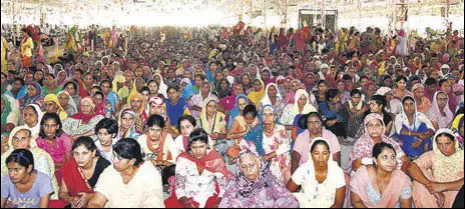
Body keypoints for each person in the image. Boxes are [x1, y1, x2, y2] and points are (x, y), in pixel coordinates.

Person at [165, 128, 232, 208]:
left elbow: (223, 188)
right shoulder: (183, 160)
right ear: (190, 146)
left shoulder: (215, 159)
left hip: (210, 196)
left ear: (207, 144)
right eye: (194, 147)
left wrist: (217, 205)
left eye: (201, 147)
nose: (198, 151)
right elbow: (179, 187)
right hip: (186, 197)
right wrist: (187, 205)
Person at [88, 138, 165, 208]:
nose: (114, 161)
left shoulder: (149, 173)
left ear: (132, 161)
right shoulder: (110, 171)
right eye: (114, 156)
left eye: (119, 158)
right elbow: (95, 202)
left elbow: (154, 204)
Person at [219, 149, 299, 208]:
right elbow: (224, 204)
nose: (248, 170)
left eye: (251, 165)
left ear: (259, 165)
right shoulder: (235, 183)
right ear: (240, 168)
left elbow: (290, 200)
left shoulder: (270, 180)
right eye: (244, 166)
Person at [407, 129, 464, 208]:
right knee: (419, 174)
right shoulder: (434, 155)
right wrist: (433, 189)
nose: (443, 148)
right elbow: (411, 167)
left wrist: (441, 186)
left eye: (447, 143)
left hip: (456, 197)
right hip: (434, 196)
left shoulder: (462, 155)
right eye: (440, 144)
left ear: (454, 142)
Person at [1, 127, 59, 200]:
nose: (19, 142)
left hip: (38, 196)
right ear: (11, 140)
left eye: (23, 138)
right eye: (15, 138)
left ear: (30, 140)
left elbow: (42, 183)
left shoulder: (39, 156)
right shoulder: (4, 157)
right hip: (10, 196)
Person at [288, 138, 346, 208]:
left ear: (329, 154)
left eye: (324, 153)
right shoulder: (304, 169)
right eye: (316, 153)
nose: (320, 158)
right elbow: (287, 192)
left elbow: (338, 204)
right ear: (311, 154)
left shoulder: (337, 172)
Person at [351, 143, 413, 208]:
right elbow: (356, 202)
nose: (390, 161)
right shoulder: (363, 174)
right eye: (384, 157)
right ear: (375, 160)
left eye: (393, 157)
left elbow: (405, 206)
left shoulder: (402, 179)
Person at [243, 105, 292, 183]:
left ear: (275, 117)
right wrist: (256, 156)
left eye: (270, 114)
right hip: (265, 163)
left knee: (286, 174)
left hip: (280, 159)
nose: (267, 117)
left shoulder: (280, 128)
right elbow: (244, 142)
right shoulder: (258, 129)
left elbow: (286, 146)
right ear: (261, 116)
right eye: (264, 114)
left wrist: (269, 155)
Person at [59, 136, 111, 208]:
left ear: (93, 153)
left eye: (84, 153)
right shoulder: (69, 167)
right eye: (76, 153)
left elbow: (110, 193)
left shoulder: (104, 166)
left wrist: (89, 196)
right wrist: (71, 199)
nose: (80, 158)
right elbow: (63, 192)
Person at [36, 113, 72, 183]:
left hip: (65, 170)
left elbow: (69, 163)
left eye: (53, 126)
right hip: (47, 170)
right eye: (46, 125)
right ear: (42, 126)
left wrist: (51, 166)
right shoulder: (39, 141)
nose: (49, 129)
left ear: (57, 126)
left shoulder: (64, 139)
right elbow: (40, 162)